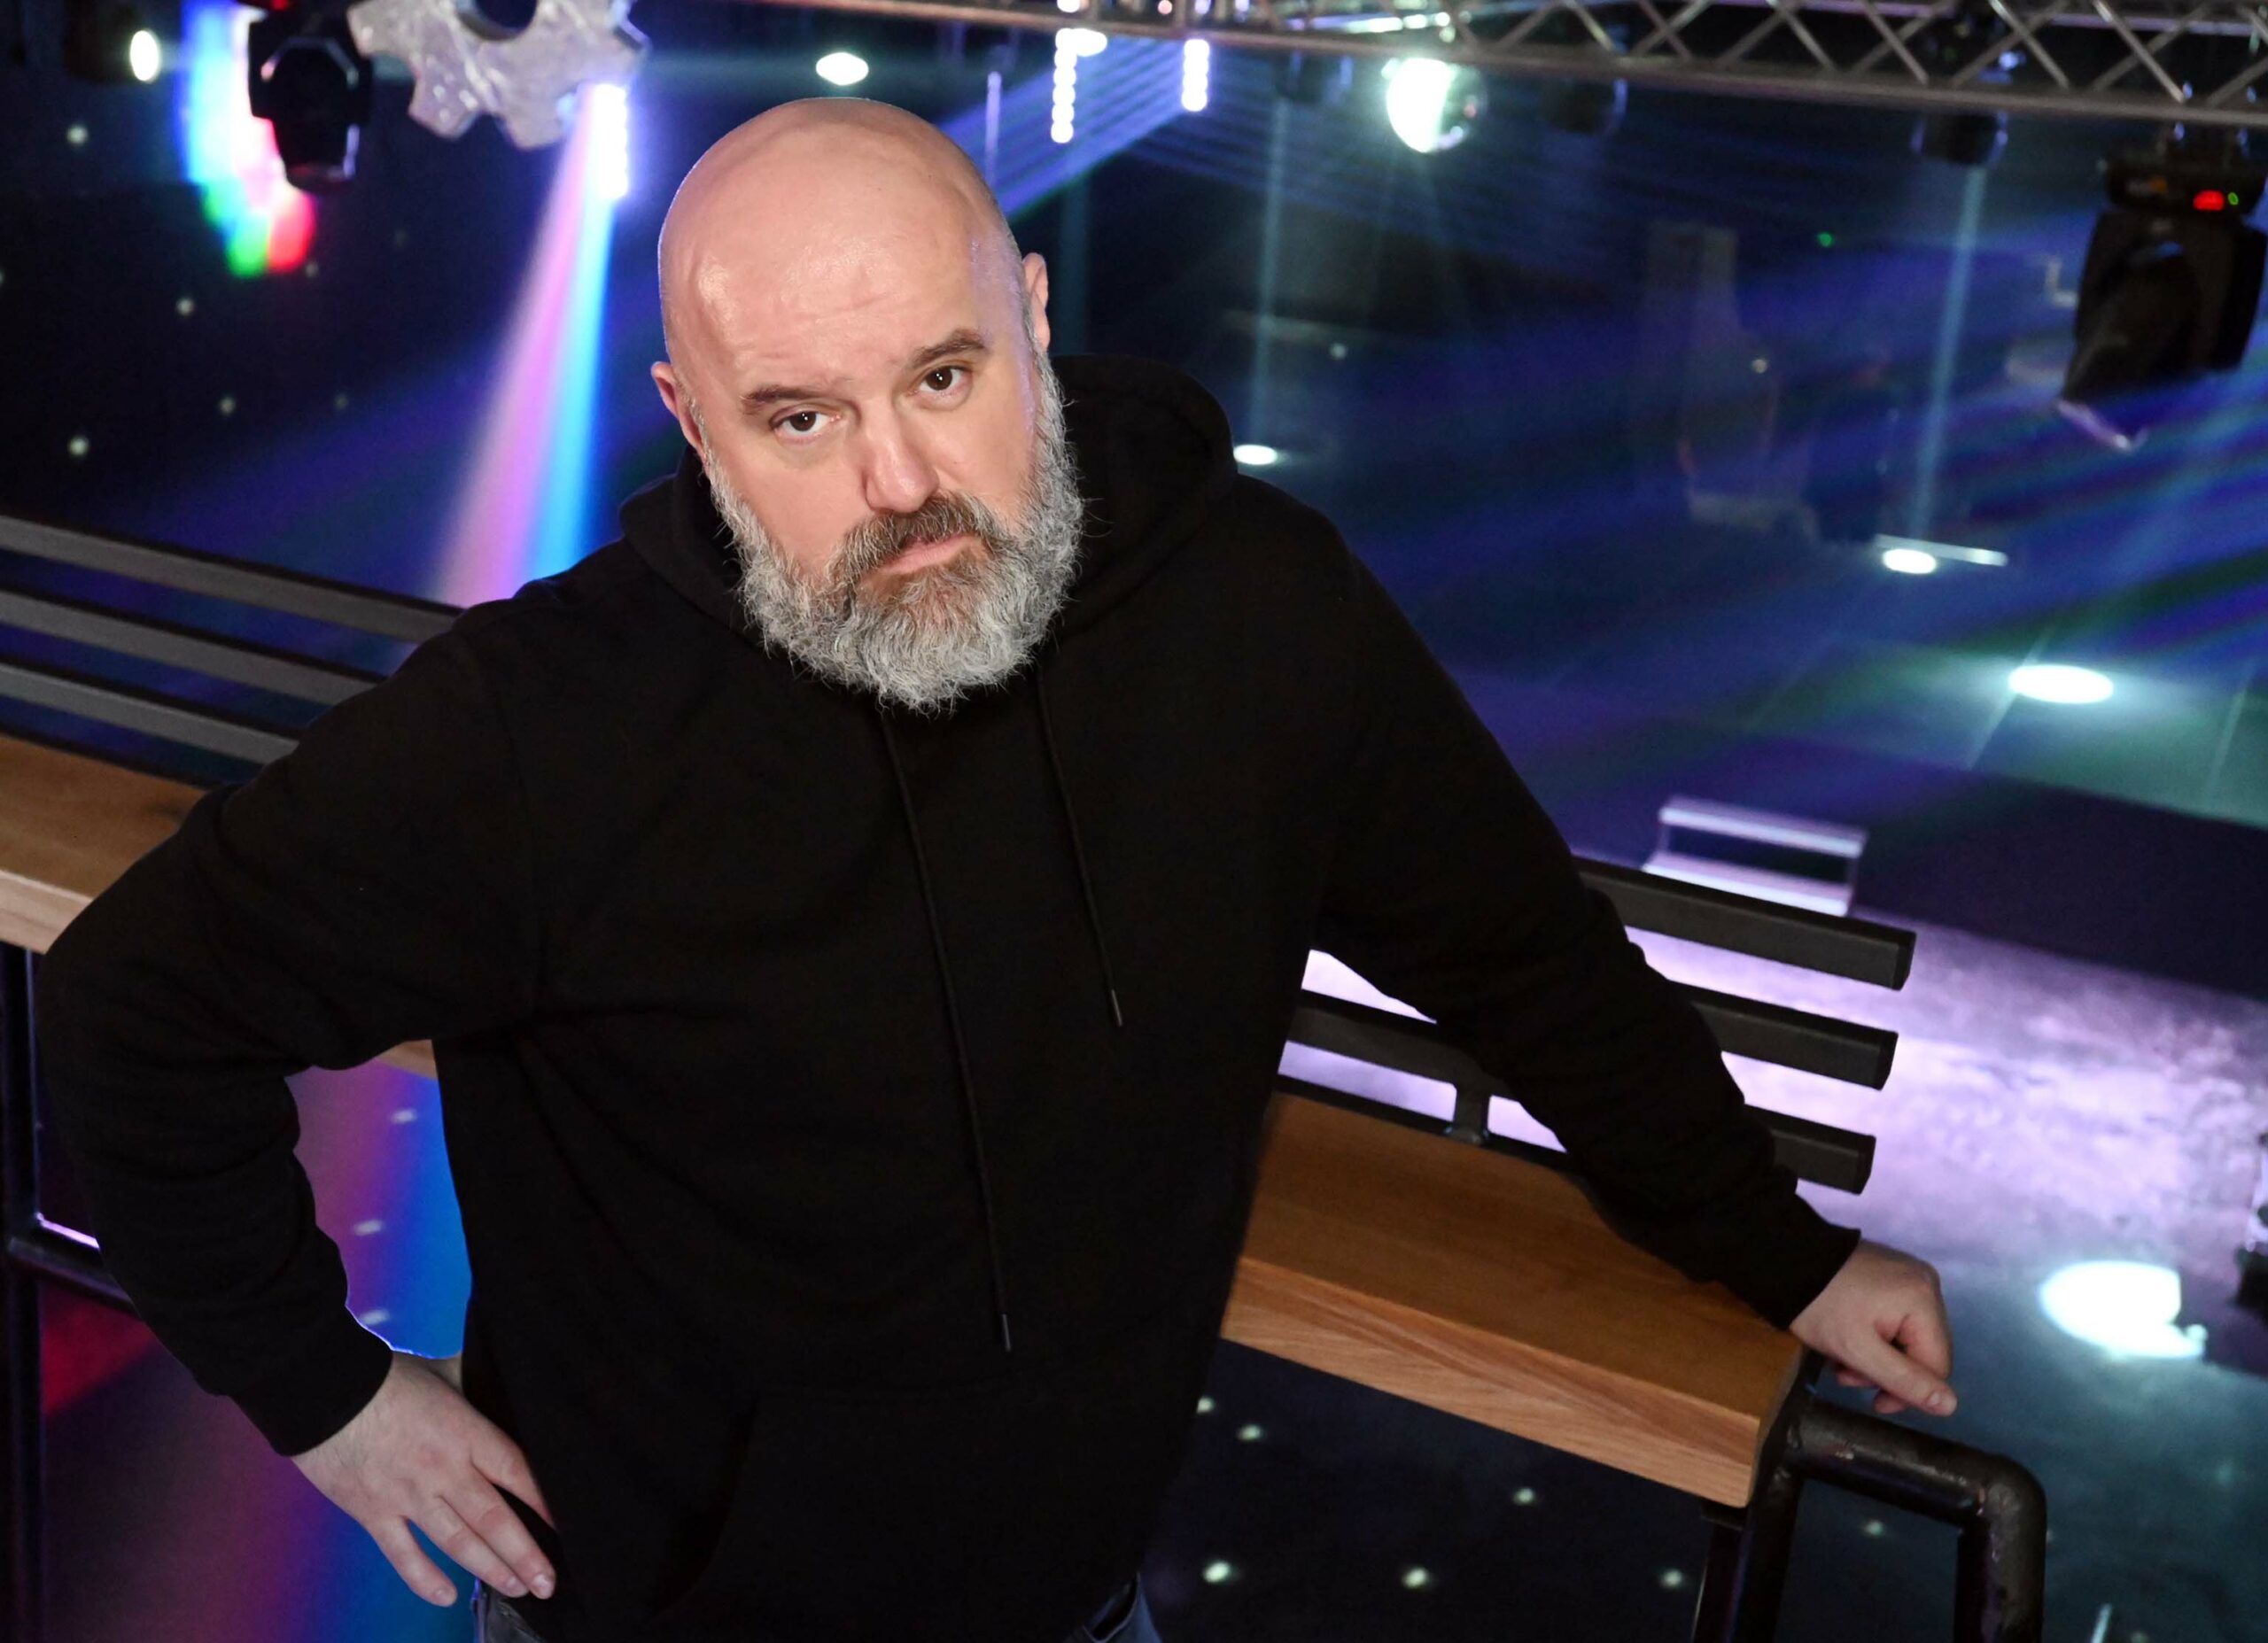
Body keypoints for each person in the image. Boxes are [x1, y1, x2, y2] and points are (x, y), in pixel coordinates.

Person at [33, 98, 1958, 1643]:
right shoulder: (540, 726)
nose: (898, 484)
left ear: (1033, 317)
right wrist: (325, 1394)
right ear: (693, 421)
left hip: (1077, 1607)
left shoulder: (1256, 612)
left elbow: (1522, 956)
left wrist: (1778, 1250)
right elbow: (141, 1005)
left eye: (944, 377)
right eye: (800, 418)